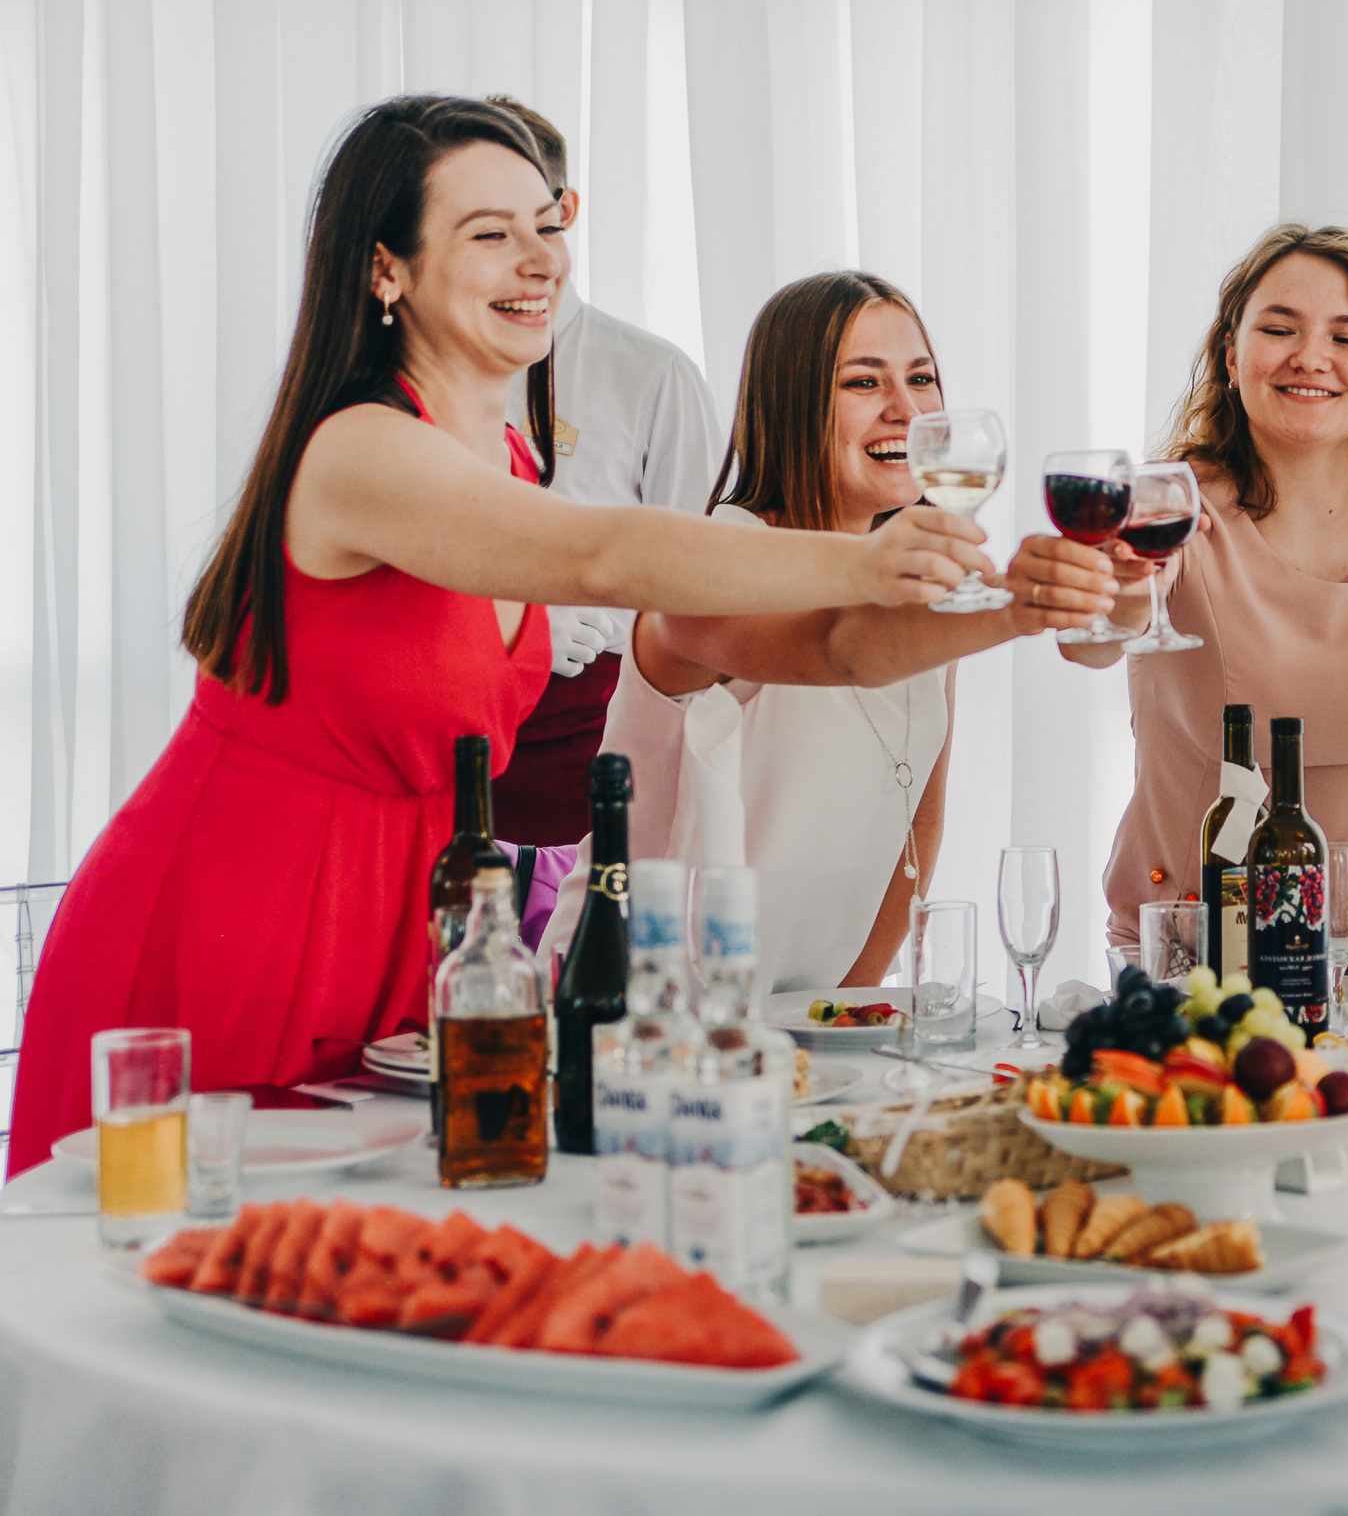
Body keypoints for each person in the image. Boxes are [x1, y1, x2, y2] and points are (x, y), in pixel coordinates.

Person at [5, 96, 992, 1176]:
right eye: (490, 232)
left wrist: (1025, 601)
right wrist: (868, 560)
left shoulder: (509, 460)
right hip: (242, 911)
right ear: (387, 268)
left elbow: (814, 649)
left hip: (396, 930)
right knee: (189, 1274)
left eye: (547, 223)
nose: (539, 259)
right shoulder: (361, 449)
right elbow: (606, 557)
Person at [536, 271, 1119, 992]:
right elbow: (839, 647)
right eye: (864, 383)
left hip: (788, 1032)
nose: (907, 410)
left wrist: (841, 1013)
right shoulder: (716, 559)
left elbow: (919, 827)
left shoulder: (925, 599)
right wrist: (1013, 605)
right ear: (792, 404)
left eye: (922, 378)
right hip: (627, 1007)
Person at [1065, 225, 1348, 994]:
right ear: (1231, 357)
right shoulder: (1172, 500)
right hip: (1203, 932)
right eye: (1279, 329)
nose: (1311, 356)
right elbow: (1096, 639)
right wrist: (1122, 585)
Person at [481, 95, 722, 846]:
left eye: (531, 215)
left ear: (567, 207)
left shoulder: (653, 376)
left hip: (595, 743)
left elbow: (698, 585)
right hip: (447, 736)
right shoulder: (415, 379)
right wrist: (513, 626)